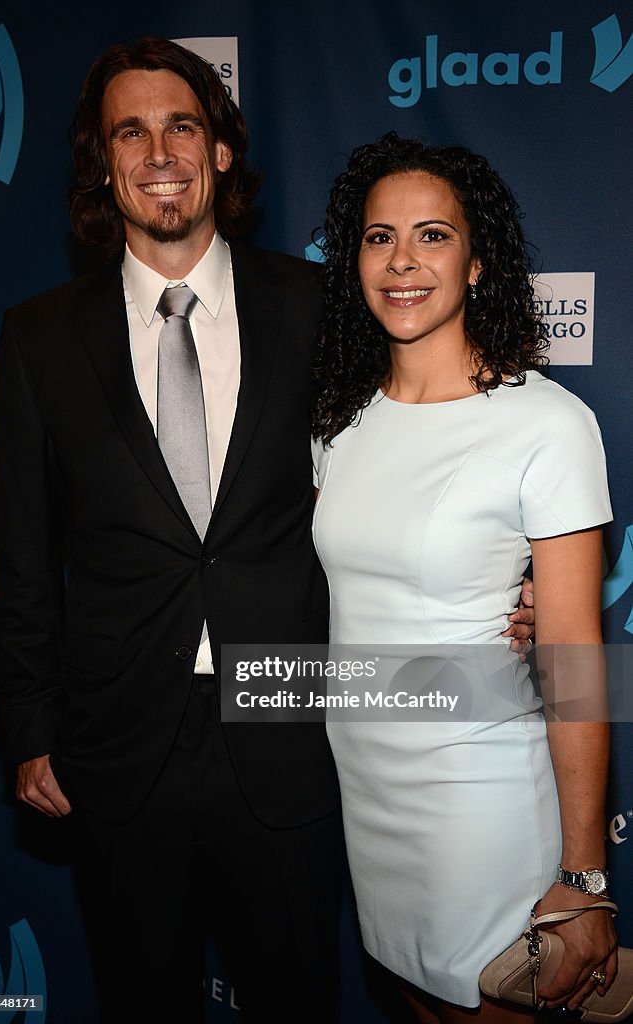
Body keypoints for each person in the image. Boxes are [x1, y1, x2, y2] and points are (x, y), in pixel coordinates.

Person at [0, 37, 343, 1024]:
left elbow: (395, 478)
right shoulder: (39, 337)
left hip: (288, 724)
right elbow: (22, 553)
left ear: (220, 149)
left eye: (182, 124)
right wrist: (27, 726)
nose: (159, 152)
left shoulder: (317, 307)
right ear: (103, 164)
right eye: (130, 132)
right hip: (118, 744)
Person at [311, 133, 617, 1024]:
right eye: (378, 238)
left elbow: (570, 655)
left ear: (478, 262)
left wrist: (583, 877)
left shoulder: (546, 424)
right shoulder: (339, 422)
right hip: (367, 792)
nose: (402, 261)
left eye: (432, 235)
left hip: (475, 796)